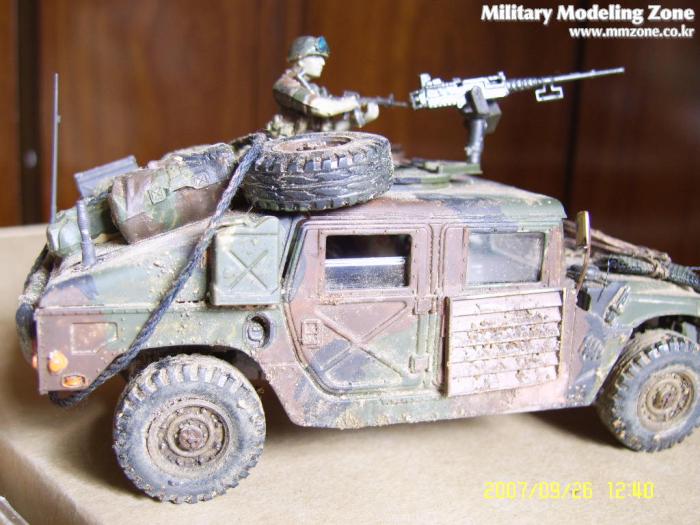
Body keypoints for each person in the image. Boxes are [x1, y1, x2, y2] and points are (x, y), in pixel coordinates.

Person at [266, 36, 379, 137]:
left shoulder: (315, 91)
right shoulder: (284, 85)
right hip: (283, 150)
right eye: (317, 57)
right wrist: (351, 103)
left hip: (307, 149)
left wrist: (354, 121)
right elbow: (322, 108)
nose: (323, 63)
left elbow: (325, 133)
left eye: (323, 58)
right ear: (301, 59)